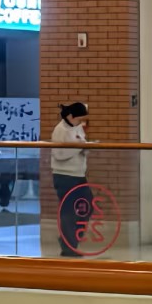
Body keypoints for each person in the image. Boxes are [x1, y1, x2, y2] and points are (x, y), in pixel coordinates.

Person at [50, 101, 92, 257]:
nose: (80, 122)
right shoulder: (60, 130)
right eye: (78, 119)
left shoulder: (77, 127)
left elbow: (80, 144)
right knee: (68, 211)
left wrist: (86, 148)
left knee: (87, 206)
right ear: (70, 116)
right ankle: (68, 247)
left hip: (79, 174)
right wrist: (79, 147)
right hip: (65, 176)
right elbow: (59, 154)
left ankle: (69, 240)